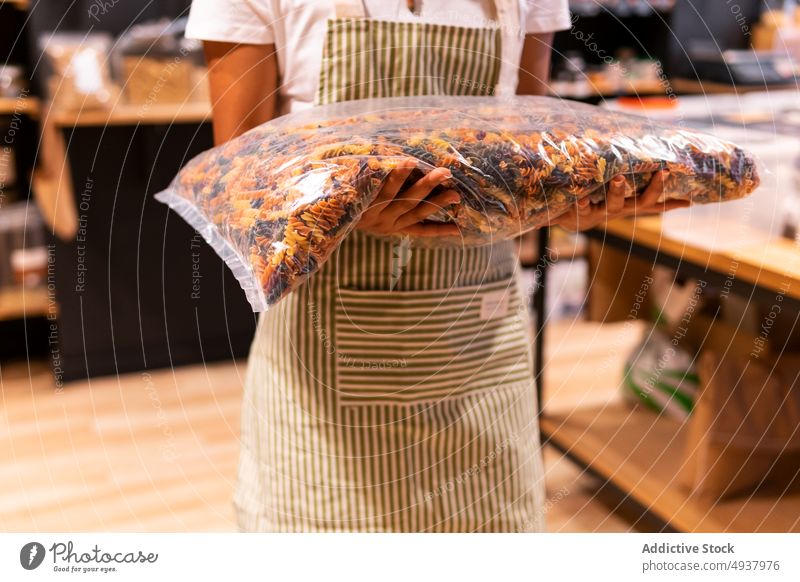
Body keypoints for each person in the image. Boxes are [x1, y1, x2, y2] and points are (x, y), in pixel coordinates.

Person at [186, 0, 687, 532]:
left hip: (478, 347)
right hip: (322, 368)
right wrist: (348, 211)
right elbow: (236, 183)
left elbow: (517, 166)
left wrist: (569, 204)